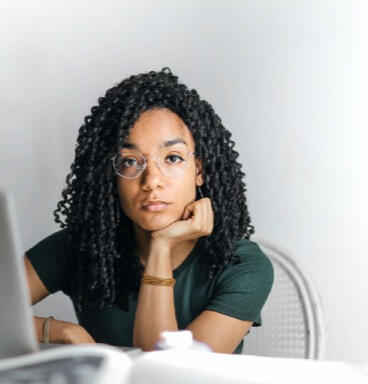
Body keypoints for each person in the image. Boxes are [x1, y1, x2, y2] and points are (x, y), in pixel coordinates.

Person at [23, 68, 274, 353]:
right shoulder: (80, 246)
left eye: (173, 158)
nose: (152, 180)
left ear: (199, 171)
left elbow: (167, 376)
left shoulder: (243, 266)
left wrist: (161, 246)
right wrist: (64, 331)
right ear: (112, 176)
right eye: (130, 161)